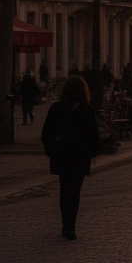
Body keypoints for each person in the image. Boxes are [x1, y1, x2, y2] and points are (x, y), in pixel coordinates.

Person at [40, 76, 100, 240]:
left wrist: (53, 148)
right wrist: (91, 152)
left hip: (61, 155)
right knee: (74, 191)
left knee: (64, 189)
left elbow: (46, 133)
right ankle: (70, 226)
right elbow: (94, 135)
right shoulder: (86, 109)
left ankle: (65, 223)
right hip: (79, 156)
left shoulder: (56, 108)